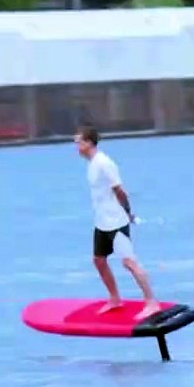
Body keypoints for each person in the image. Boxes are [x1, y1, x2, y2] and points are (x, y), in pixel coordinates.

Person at [74, 125, 161, 320]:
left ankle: (151, 302)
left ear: (89, 143)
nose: (76, 146)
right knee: (99, 261)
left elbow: (120, 191)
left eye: (78, 142)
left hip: (116, 222)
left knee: (129, 263)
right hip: (102, 222)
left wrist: (128, 213)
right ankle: (114, 299)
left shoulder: (104, 163)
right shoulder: (91, 164)